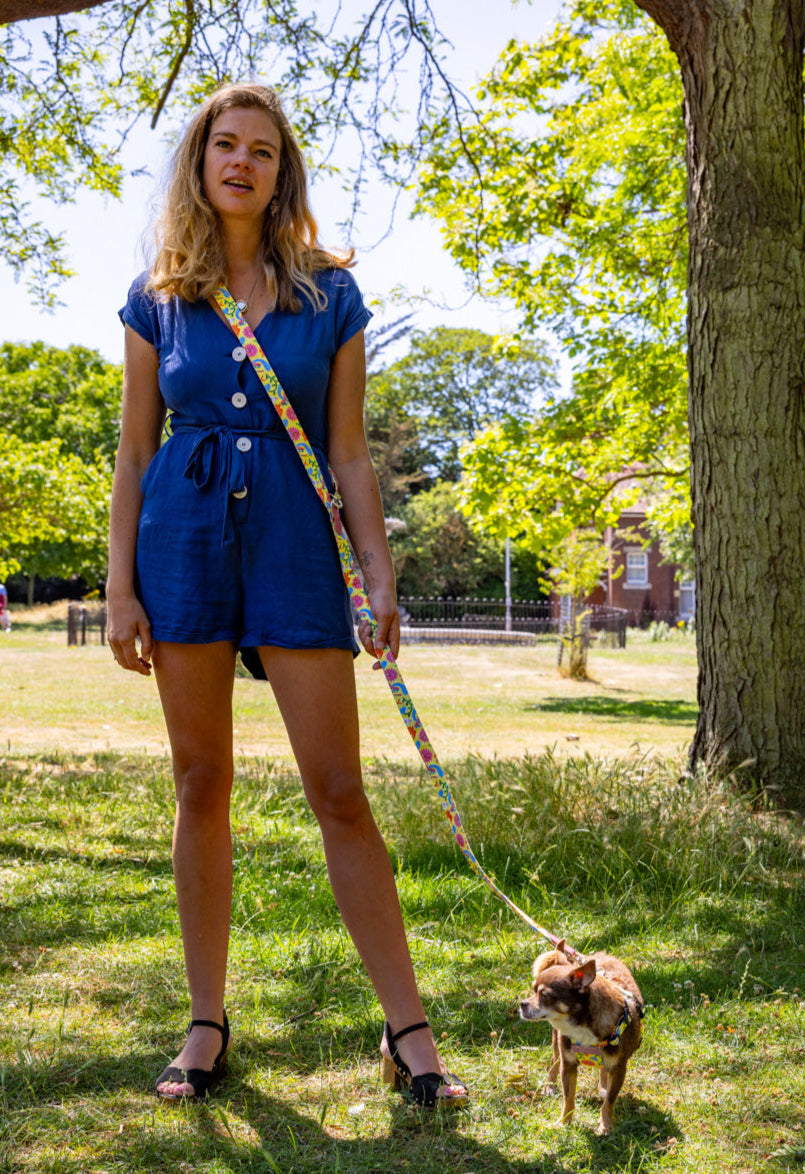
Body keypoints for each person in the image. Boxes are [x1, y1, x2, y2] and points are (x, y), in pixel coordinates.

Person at [107, 82, 467, 1110]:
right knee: (199, 784)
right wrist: (120, 585)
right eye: (225, 144)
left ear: (281, 174)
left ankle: (409, 1031)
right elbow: (134, 452)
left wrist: (379, 572)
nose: (242, 161)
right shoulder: (156, 297)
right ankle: (205, 1021)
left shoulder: (330, 296)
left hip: (297, 549)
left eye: (262, 150)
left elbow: (349, 452)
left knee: (339, 791)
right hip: (181, 543)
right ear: (200, 162)